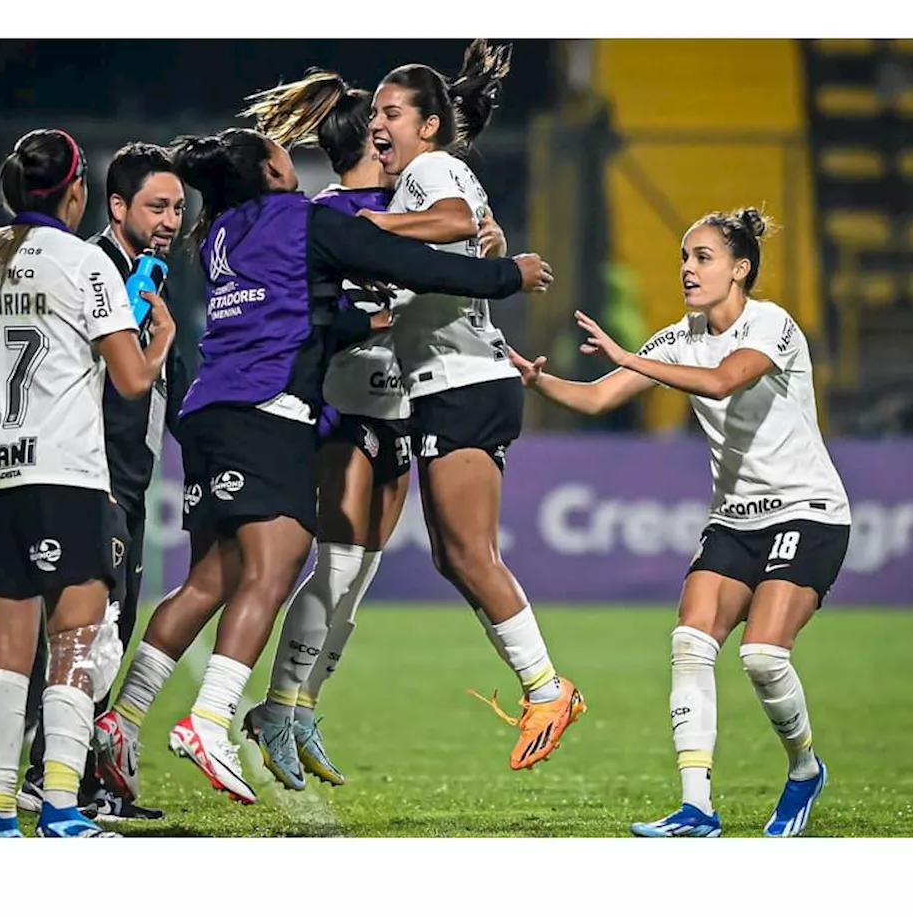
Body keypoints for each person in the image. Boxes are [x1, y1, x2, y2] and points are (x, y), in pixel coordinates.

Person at [96, 125, 553, 807]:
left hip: (209, 411)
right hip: (267, 411)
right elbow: (416, 266)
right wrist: (506, 275)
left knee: (211, 577)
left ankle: (121, 719)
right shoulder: (302, 219)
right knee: (277, 564)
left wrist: (367, 324)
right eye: (286, 158)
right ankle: (211, 720)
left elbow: (295, 315)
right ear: (274, 172)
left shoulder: (222, 233)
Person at [510, 208, 850, 838]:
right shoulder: (677, 338)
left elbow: (723, 382)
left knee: (764, 658)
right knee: (690, 644)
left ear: (740, 269)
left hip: (808, 511)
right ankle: (697, 809)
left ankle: (805, 768)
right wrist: (540, 382)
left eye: (702, 258)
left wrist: (627, 358)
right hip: (734, 520)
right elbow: (596, 397)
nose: (688, 270)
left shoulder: (769, 324)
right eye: (684, 258)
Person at [0, 128, 176, 838]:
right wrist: (157, 333)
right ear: (76, 192)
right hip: (63, 477)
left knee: (6, 651)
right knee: (76, 644)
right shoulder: (84, 263)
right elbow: (133, 381)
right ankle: (65, 809)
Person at [359, 40, 585, 771]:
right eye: (373, 115)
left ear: (428, 126)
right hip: (458, 378)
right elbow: (476, 242)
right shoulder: (418, 179)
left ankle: (548, 689)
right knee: (458, 558)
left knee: (468, 554)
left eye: (391, 113)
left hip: (461, 383)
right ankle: (544, 688)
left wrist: (361, 233)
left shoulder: (429, 170)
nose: (376, 126)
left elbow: (457, 220)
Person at [236, 70, 414, 790]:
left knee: (361, 575)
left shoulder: (410, 205)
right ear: (372, 140)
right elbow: (319, 319)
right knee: (338, 564)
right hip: (346, 406)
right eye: (384, 125)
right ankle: (277, 706)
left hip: (402, 405)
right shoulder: (328, 215)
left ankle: (304, 707)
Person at [19, 141, 187, 822]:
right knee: (88, 632)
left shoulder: (144, 272)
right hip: (99, 476)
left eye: (178, 206)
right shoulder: (99, 272)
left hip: (127, 477)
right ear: (116, 207)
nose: (172, 218)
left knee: (105, 631)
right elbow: (104, 381)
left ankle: (84, 780)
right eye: (157, 205)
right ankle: (46, 777)